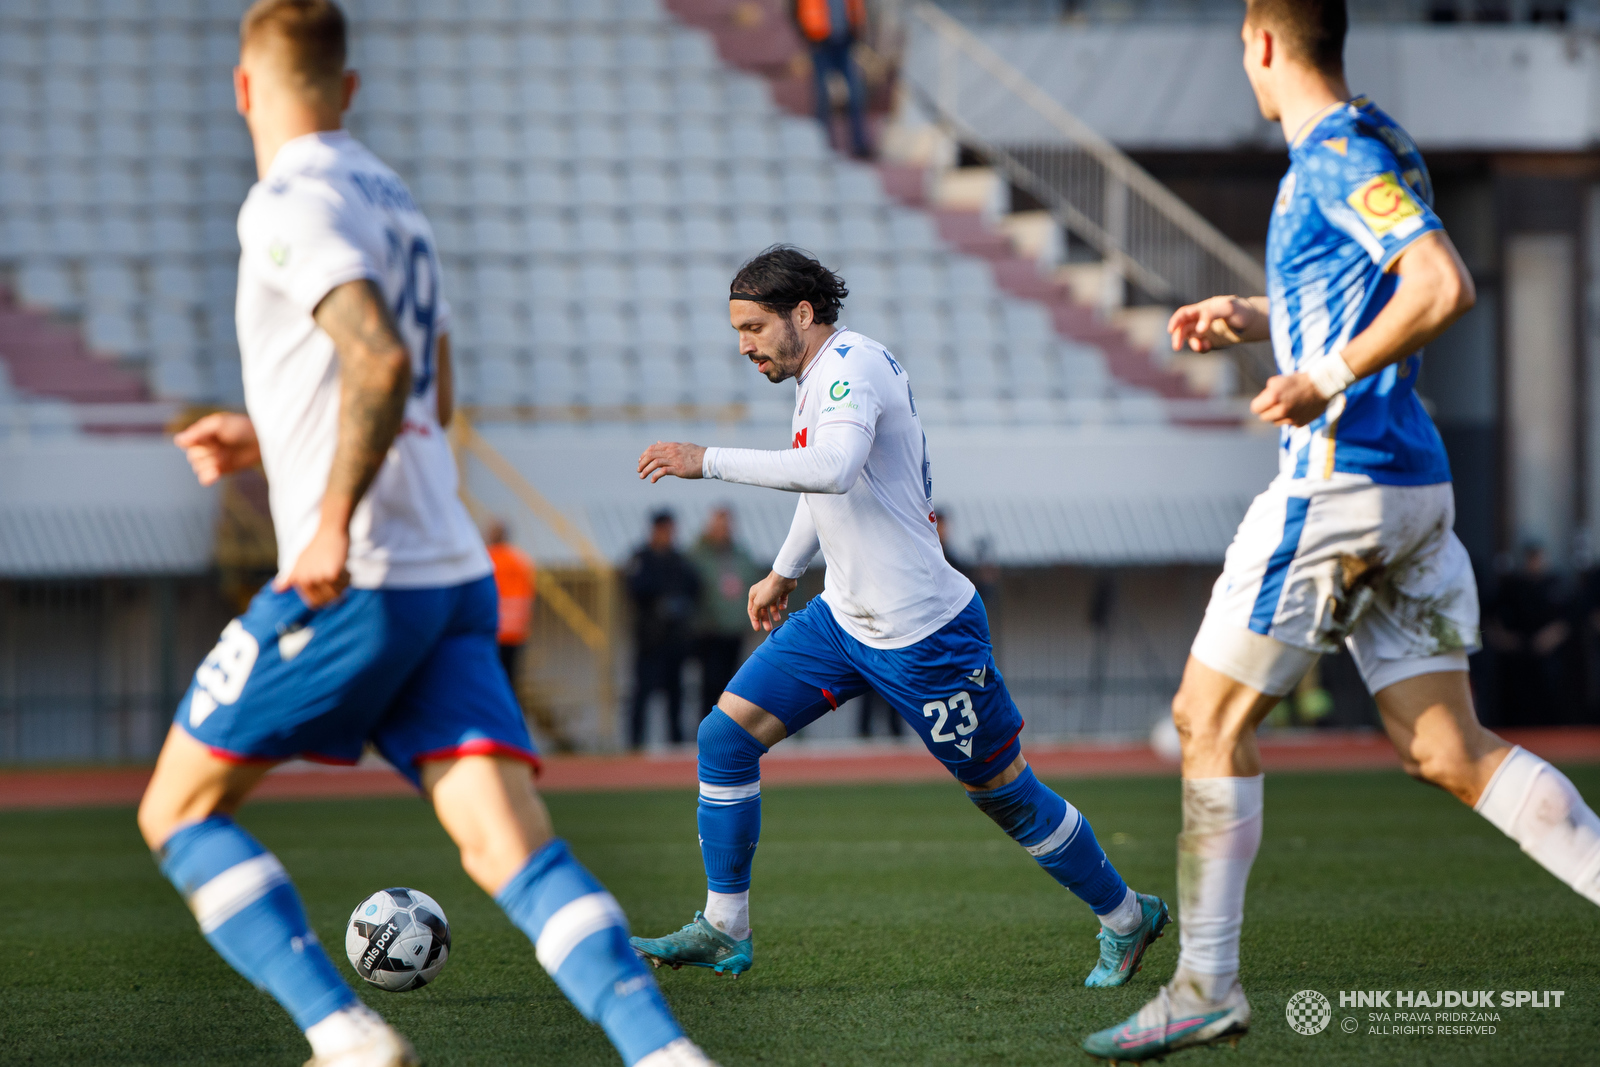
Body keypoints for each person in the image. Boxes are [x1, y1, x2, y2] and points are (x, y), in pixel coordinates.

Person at [135, 5, 716, 1066]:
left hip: (357, 572)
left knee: (176, 808)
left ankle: (343, 1031)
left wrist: (325, 520)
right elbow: (432, 392)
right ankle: (667, 1056)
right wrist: (269, 434)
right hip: (446, 568)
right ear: (347, 90)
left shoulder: (284, 200)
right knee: (509, 846)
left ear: (243, 88)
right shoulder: (394, 201)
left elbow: (381, 366)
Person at [1081, 2, 1600, 1060]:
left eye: (1240, 47)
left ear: (1263, 43)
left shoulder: (1332, 154)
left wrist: (1321, 373)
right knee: (1446, 748)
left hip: (1339, 487)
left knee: (1204, 718)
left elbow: (1440, 283)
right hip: (1411, 488)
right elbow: (1375, 286)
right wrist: (1261, 314)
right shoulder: (1378, 137)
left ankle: (1203, 985)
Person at [630, 245, 1166, 987]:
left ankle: (1127, 917)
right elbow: (830, 490)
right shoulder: (818, 375)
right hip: (843, 620)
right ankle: (725, 926)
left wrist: (707, 459)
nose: (745, 345)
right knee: (725, 737)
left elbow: (833, 467)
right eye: (738, 331)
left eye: (753, 327)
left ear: (803, 314)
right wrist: (785, 571)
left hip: (925, 635)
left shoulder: (853, 368)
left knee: (1003, 793)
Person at [626, 510, 702, 749]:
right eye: (665, 530)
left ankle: (675, 747)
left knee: (676, 697)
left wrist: (679, 605)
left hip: (674, 640)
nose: (669, 535)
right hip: (650, 640)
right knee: (642, 695)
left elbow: (695, 586)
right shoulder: (641, 558)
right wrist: (661, 602)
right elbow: (635, 589)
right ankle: (635, 745)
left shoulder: (679, 559)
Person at [689, 506, 761, 717]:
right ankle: (705, 729)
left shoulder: (741, 555)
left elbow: (751, 585)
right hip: (707, 631)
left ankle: (725, 729)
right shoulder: (698, 555)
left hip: (734, 630)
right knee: (709, 684)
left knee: (732, 686)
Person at [792, 0, 870, 158]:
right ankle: (822, 145)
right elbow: (797, 11)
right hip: (820, 44)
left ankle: (859, 143)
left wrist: (856, 31)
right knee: (823, 96)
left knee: (855, 94)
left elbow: (856, 10)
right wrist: (808, 35)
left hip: (844, 43)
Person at [485, 518, 537, 690]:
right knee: (511, 682)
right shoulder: (521, 560)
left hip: (493, 630)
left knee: (492, 682)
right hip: (516, 631)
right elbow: (528, 593)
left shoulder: (486, 559)